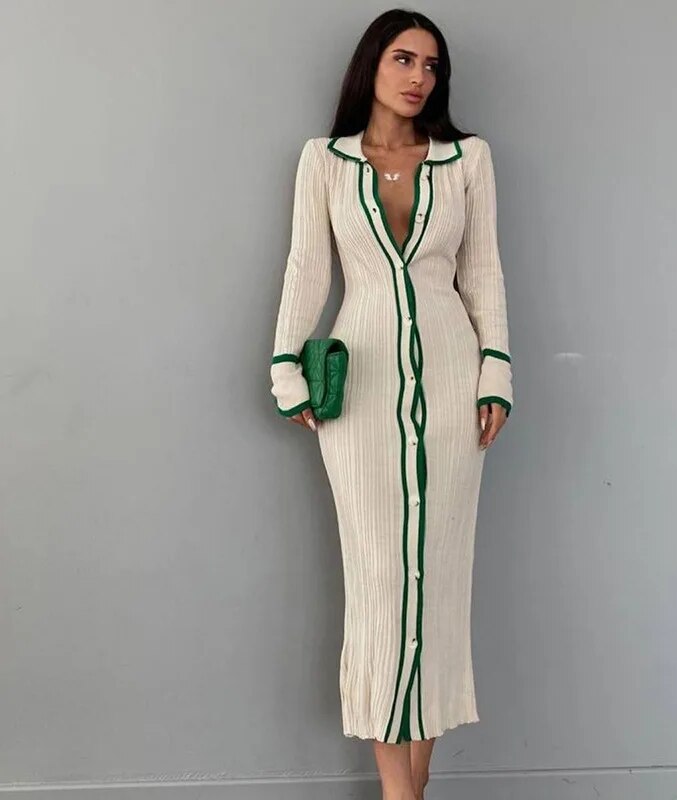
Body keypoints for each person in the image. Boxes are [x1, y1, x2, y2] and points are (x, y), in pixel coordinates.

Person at [269, 9, 513, 800]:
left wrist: (496, 374)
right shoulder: (326, 160)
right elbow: (308, 267)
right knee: (379, 581)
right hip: (361, 391)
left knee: (437, 582)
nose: (418, 77)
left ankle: (414, 789)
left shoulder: (467, 160)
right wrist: (285, 370)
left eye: (432, 66)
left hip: (452, 386)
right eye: (404, 59)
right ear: (371, 65)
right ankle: (396, 791)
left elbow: (483, 273)